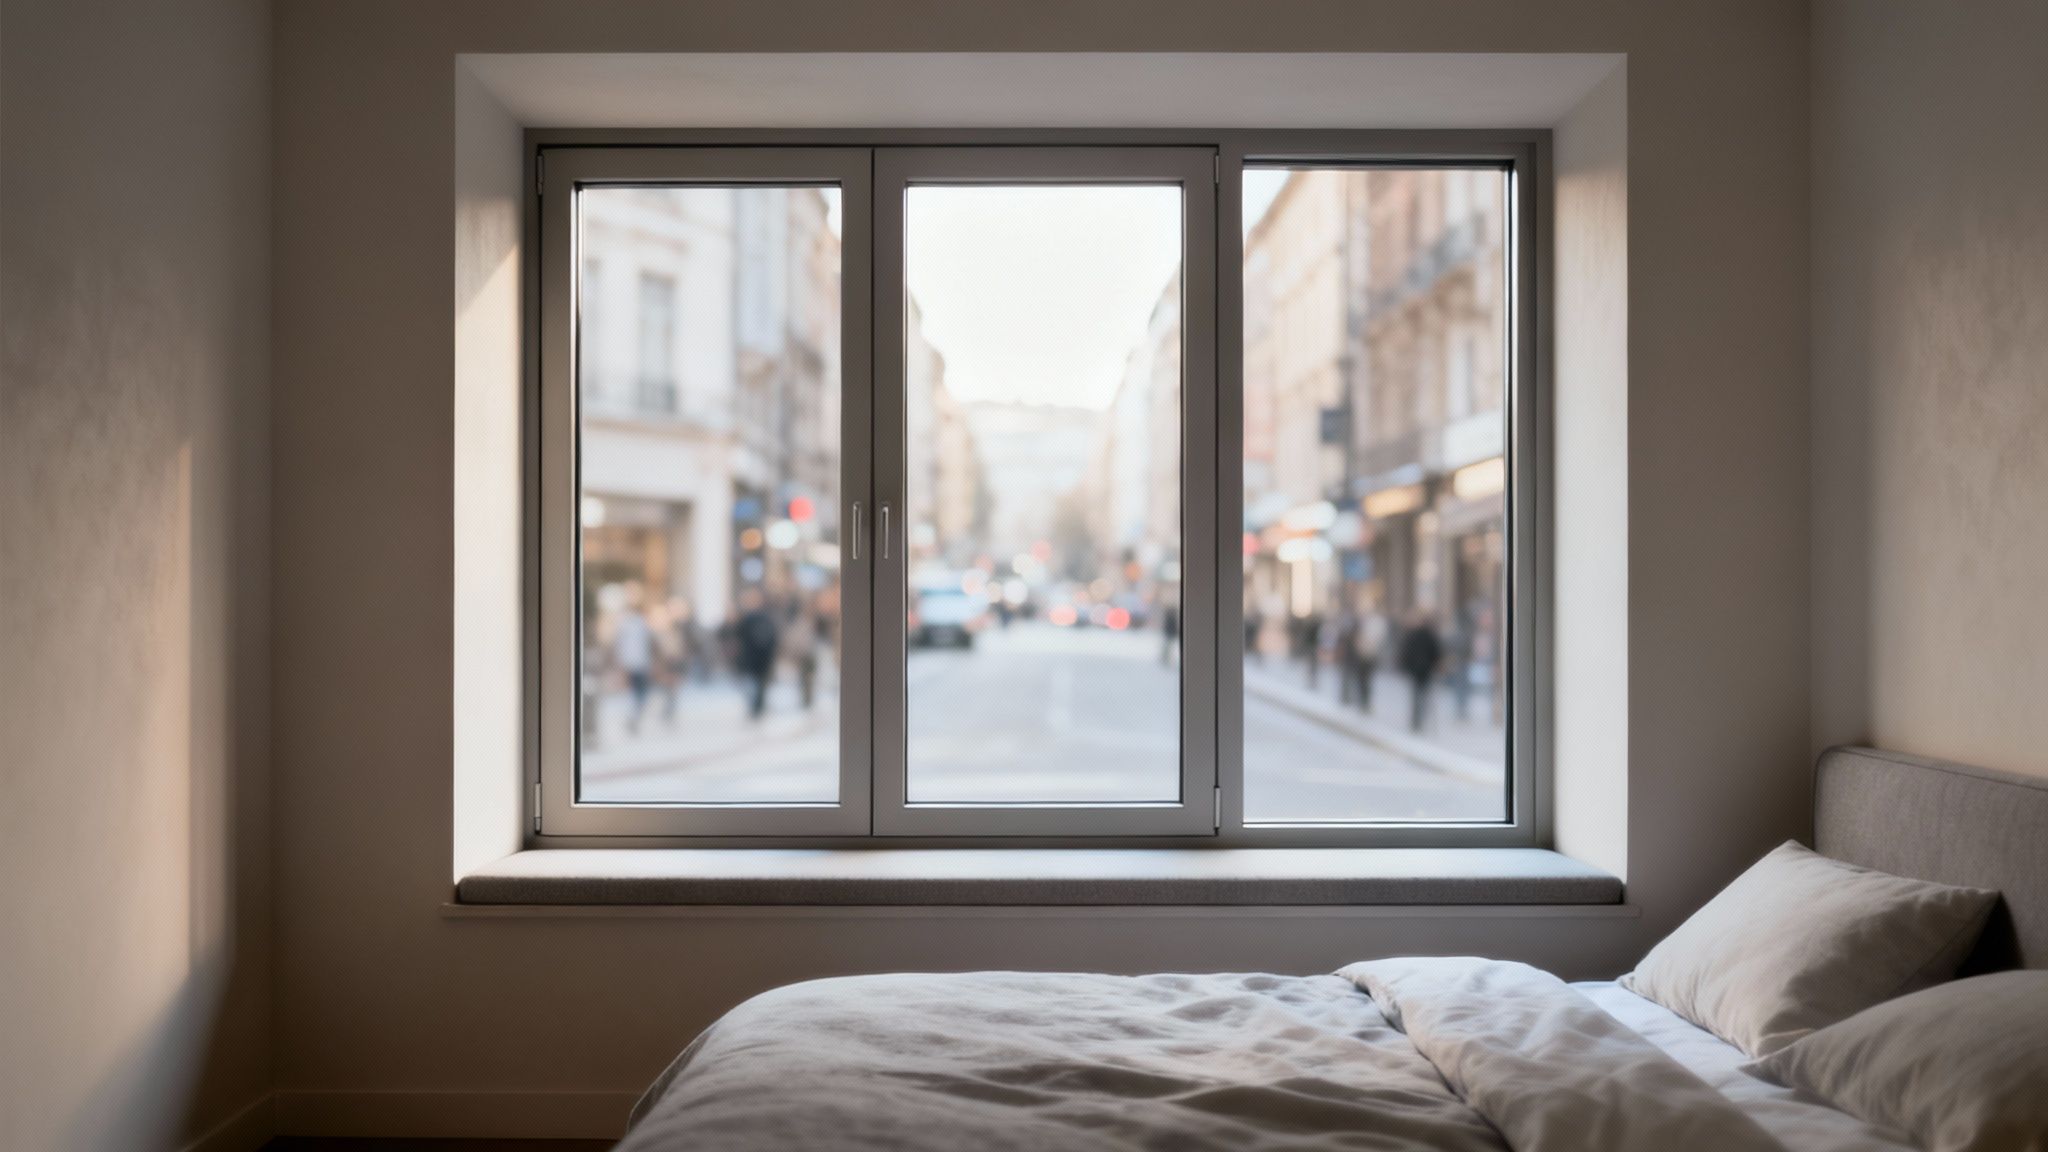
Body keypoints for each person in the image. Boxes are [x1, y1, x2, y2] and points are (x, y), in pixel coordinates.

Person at [612, 585, 655, 734]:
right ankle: (632, 718)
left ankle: (634, 718)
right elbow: (618, 644)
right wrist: (620, 664)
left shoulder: (643, 621)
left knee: (642, 693)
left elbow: (649, 643)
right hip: (630, 663)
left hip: (642, 662)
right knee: (633, 693)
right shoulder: (624, 621)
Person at [734, 587, 780, 720]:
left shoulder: (760, 618)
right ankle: (756, 707)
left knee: (757, 685)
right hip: (755, 658)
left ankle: (757, 708)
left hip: (759, 658)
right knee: (755, 685)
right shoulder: (751, 618)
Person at [1398, 610, 1443, 733]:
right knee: (1423, 696)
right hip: (1426, 670)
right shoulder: (1429, 635)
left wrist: (1406, 667)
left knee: (1416, 695)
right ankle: (1420, 719)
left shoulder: (1413, 635)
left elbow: (1406, 653)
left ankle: (1416, 720)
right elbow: (1436, 653)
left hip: (1416, 670)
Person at [1354, 602, 1389, 713]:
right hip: (1362, 655)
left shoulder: (1378, 623)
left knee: (1366, 680)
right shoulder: (1365, 622)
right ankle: (1362, 702)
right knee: (1362, 680)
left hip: (1370, 655)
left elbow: (1377, 639)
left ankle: (1365, 702)